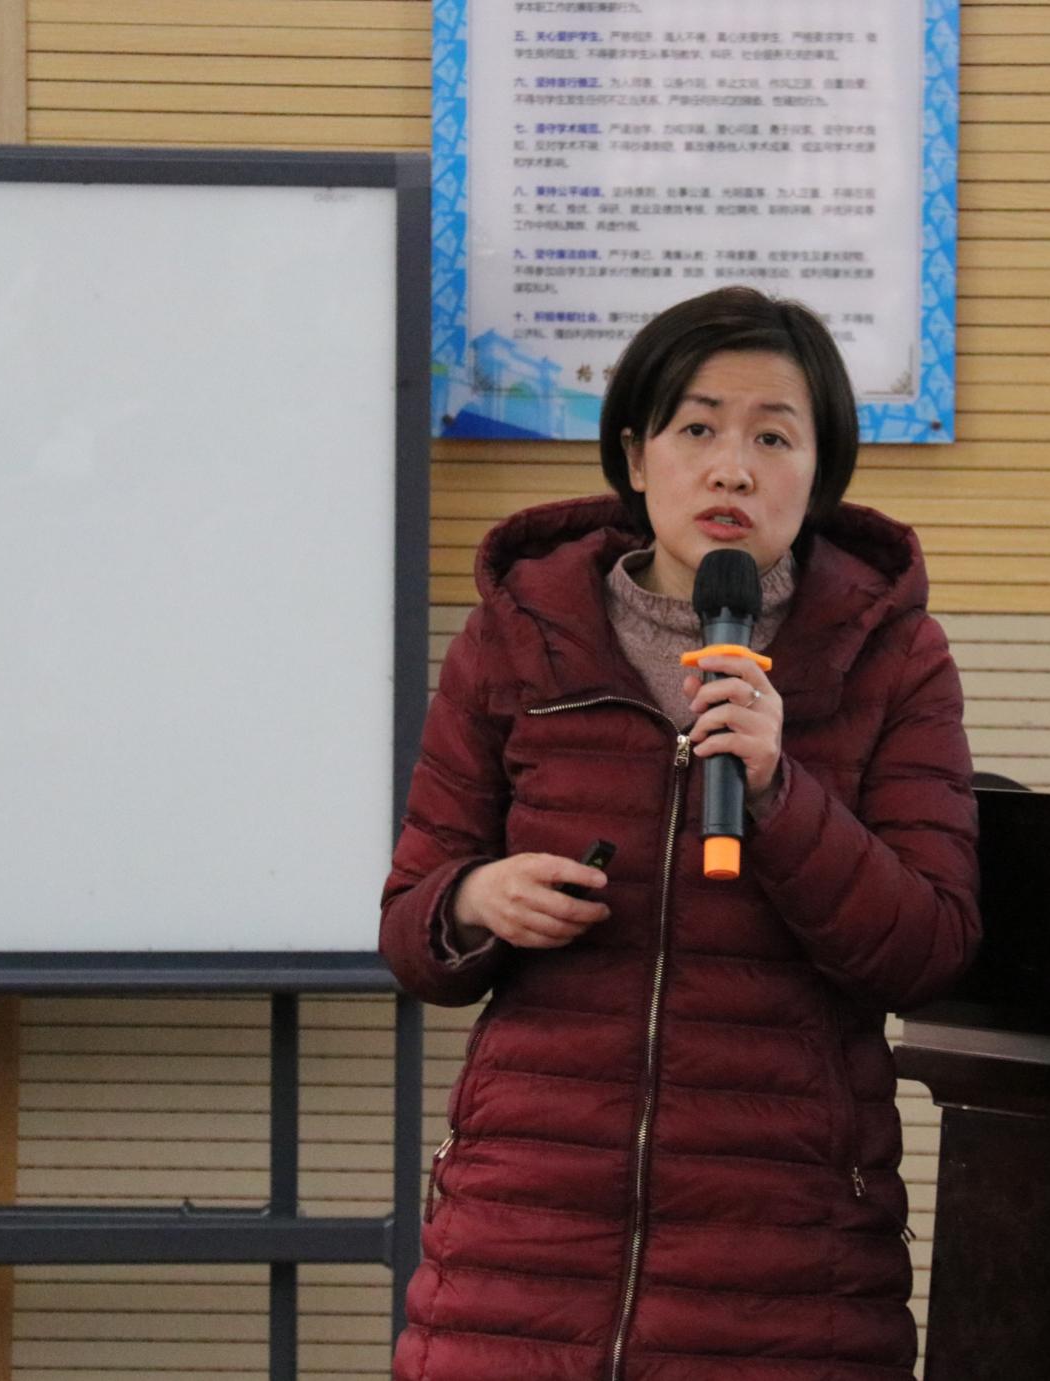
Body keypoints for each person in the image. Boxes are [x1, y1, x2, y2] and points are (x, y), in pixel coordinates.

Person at [379, 286, 981, 1380]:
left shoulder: (891, 657)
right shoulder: (520, 637)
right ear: (635, 452)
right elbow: (412, 921)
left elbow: (928, 945)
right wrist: (474, 899)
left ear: (822, 470)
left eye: (773, 437)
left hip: (784, 1266)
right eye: (697, 428)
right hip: (522, 1251)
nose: (731, 469)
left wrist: (779, 790)